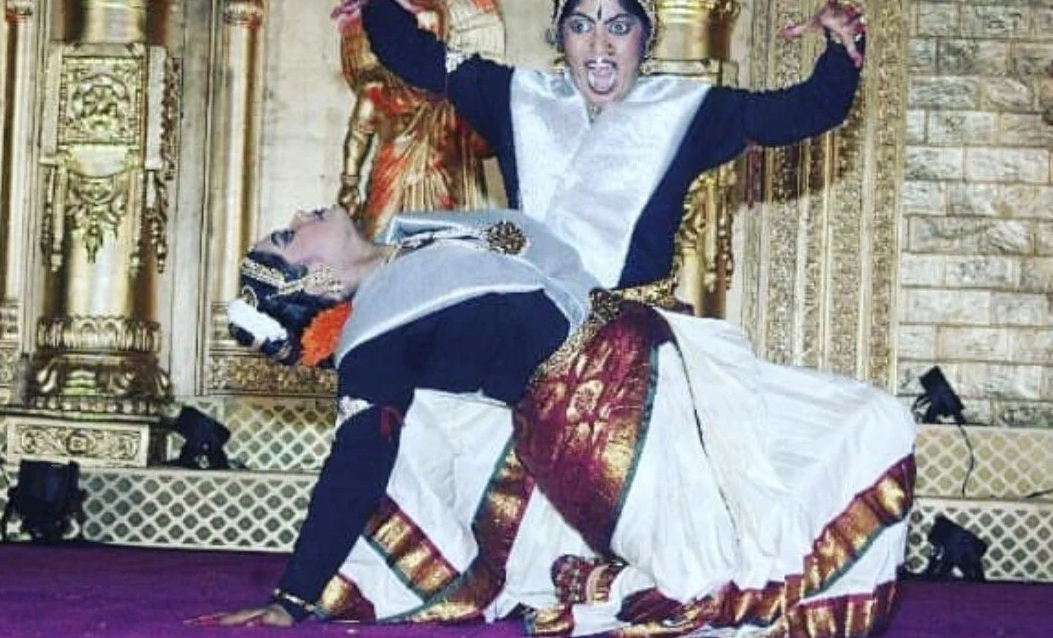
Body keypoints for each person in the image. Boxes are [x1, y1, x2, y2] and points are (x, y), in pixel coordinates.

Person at [196, 205, 915, 637]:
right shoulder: (373, 337)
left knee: (873, 420)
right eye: (288, 237)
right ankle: (607, 583)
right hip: (598, 426)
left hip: (671, 366)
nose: (300, 216)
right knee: (706, 584)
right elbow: (358, 461)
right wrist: (294, 595)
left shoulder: (425, 232)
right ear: (313, 282)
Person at [331, 0, 866, 293]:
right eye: (582, 25)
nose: (600, 46)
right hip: (532, 330)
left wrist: (842, 50)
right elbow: (411, 54)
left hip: (636, 346)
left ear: (645, 38)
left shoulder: (689, 109)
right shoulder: (514, 94)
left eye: (619, 27)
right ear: (560, 37)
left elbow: (807, 110)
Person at [336, 0, 495, 238]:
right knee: (380, 246)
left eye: (431, 33)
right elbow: (358, 136)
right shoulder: (377, 86)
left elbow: (480, 143)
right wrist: (349, 184)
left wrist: (494, 120)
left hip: (444, 184)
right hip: (391, 185)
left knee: (442, 253)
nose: (421, 40)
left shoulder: (454, 88)